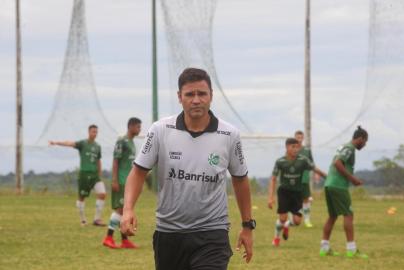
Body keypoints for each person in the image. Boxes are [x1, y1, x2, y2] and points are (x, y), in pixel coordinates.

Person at [120, 68, 255, 269]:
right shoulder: (160, 130)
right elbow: (138, 171)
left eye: (202, 93)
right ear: (179, 97)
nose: (196, 100)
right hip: (169, 234)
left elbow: (240, 179)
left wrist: (247, 226)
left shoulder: (229, 135)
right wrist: (128, 208)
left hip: (212, 233)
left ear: (211, 96)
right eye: (190, 94)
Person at [319, 126, 369, 258]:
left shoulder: (343, 146)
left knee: (332, 216)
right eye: (365, 141)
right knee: (348, 214)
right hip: (338, 186)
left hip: (329, 184)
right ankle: (351, 250)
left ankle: (324, 248)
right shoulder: (350, 148)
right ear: (360, 138)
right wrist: (352, 179)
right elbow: (338, 163)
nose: (365, 145)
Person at [268, 138, 326, 247]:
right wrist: (271, 197)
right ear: (287, 147)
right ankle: (276, 238)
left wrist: (327, 177)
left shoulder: (303, 160)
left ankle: (286, 225)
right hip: (284, 192)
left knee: (297, 221)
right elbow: (273, 179)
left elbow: (314, 169)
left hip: (297, 193)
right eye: (293, 147)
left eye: (297, 147)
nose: (295, 149)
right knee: (282, 218)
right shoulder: (280, 162)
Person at [49, 124, 106, 226]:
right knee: (81, 197)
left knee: (102, 194)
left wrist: (99, 173)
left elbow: (98, 161)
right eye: (93, 131)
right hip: (84, 174)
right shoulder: (83, 143)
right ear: (89, 132)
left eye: (96, 132)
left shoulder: (97, 146)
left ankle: (97, 219)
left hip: (95, 175)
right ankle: (83, 220)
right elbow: (69, 143)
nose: (95, 134)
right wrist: (56, 143)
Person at [103, 118, 142, 249]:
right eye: (137, 127)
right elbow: (116, 161)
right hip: (120, 180)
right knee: (120, 209)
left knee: (125, 210)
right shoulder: (122, 141)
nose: (139, 129)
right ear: (130, 126)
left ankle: (124, 240)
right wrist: (114, 179)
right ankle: (108, 237)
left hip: (127, 180)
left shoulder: (131, 143)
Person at [294, 130, 317, 228]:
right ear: (295, 138)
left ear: (303, 138)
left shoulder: (307, 150)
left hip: (304, 179)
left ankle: (307, 220)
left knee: (306, 200)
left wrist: (316, 174)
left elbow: (312, 163)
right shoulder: (292, 149)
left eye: (301, 137)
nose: (299, 139)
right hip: (294, 179)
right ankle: (293, 220)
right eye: (297, 137)